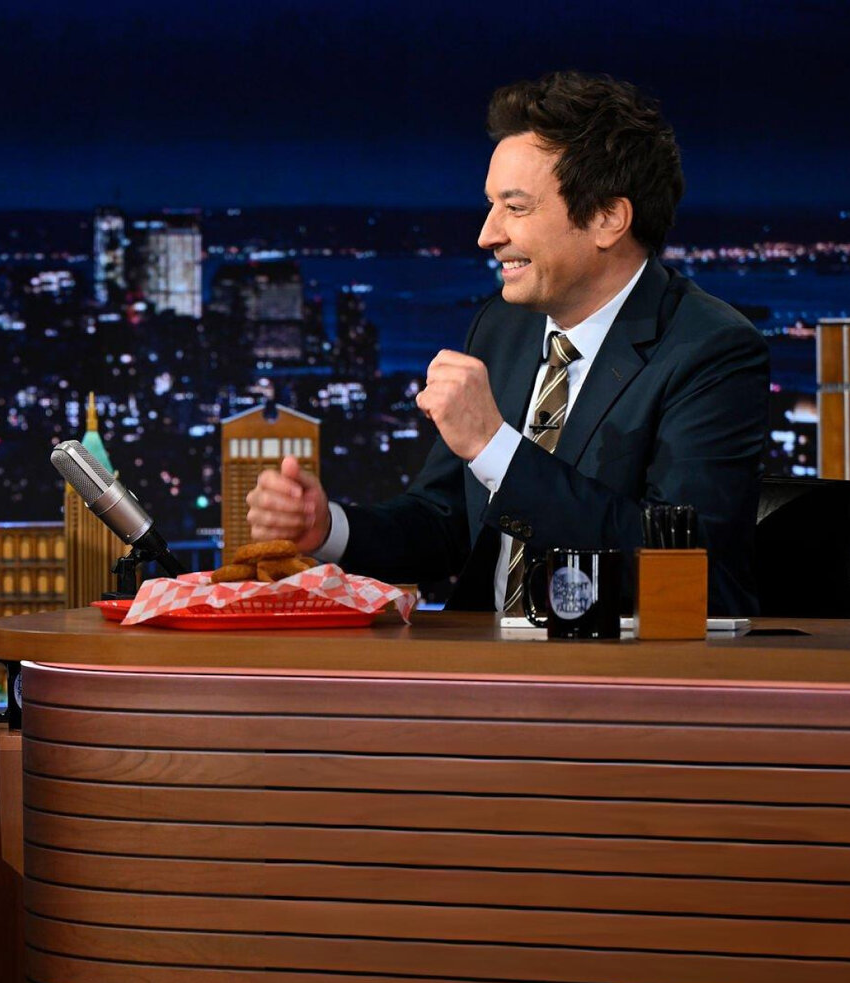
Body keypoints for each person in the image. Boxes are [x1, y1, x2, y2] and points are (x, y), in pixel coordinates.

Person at [248, 71, 770, 615]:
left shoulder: (711, 350)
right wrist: (328, 528)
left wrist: (493, 445)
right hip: (485, 654)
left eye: (515, 208)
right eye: (491, 206)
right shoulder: (501, 326)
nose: (487, 235)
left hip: (617, 661)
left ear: (607, 218)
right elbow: (445, 522)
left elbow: (685, 570)